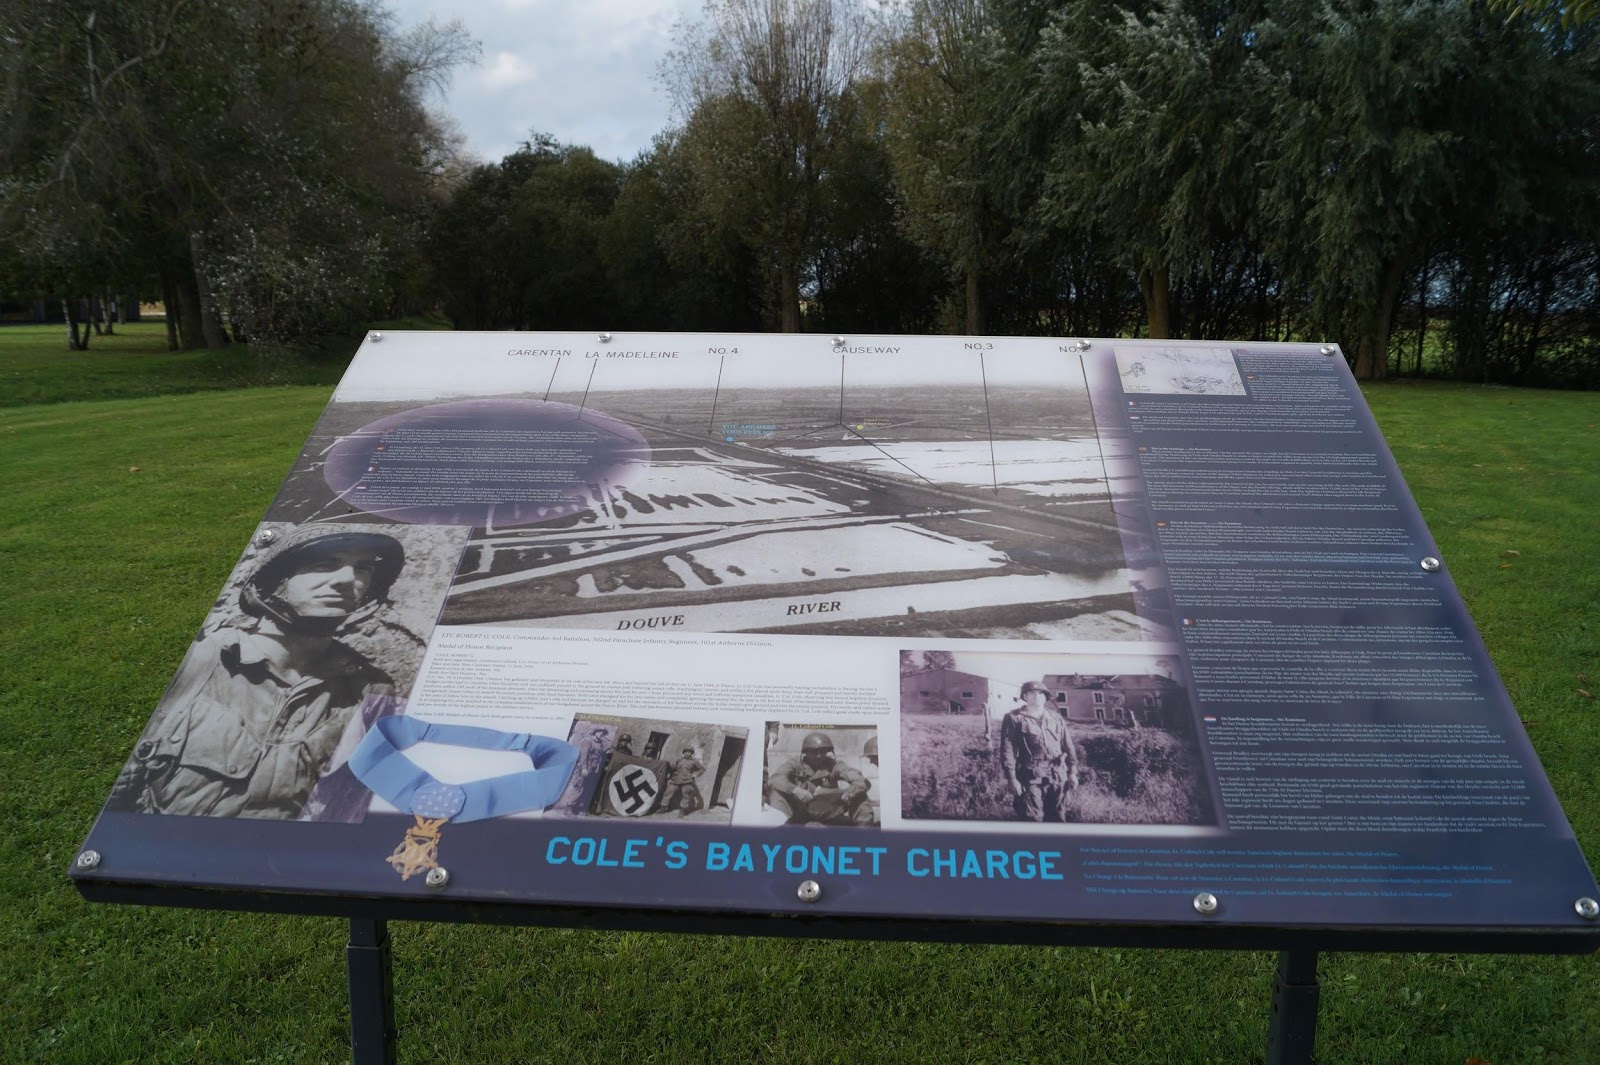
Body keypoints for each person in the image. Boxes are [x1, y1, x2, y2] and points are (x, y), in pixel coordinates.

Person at [108, 530, 403, 820]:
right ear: (277, 583)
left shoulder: (371, 691)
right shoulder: (202, 659)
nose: (347, 580)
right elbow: (122, 787)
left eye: (363, 568)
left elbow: (348, 807)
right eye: (323, 565)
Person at [1000, 681, 1081, 822]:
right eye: (1031, 693)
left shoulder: (1056, 718)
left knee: (1058, 817)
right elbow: (1008, 751)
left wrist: (1072, 772)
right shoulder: (1014, 718)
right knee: (1032, 818)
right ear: (1025, 696)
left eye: (1040, 693)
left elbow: (1068, 747)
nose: (1036, 696)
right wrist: (1012, 779)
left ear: (1045, 697)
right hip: (1030, 776)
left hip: (1057, 775)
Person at [767, 732, 872, 826]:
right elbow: (775, 779)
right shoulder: (794, 763)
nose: (818, 756)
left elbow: (860, 780)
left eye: (823, 751)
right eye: (814, 752)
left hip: (828, 812)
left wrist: (849, 793)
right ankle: (779, 832)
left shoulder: (834, 764)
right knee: (777, 791)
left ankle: (863, 835)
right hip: (800, 811)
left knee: (860, 794)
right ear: (805, 752)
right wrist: (795, 789)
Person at [659, 745, 705, 816]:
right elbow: (672, 767)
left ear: (691, 753)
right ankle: (663, 807)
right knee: (668, 792)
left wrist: (695, 775)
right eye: (686, 752)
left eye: (689, 752)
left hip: (687, 781)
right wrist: (673, 763)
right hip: (676, 780)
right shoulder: (679, 760)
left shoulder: (694, 762)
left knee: (686, 795)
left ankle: (682, 810)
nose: (687, 753)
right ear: (683, 753)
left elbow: (701, 769)